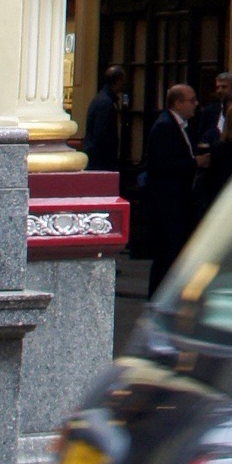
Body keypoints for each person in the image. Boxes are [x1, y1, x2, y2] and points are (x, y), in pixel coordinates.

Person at [137, 81, 202, 293]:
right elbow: (163, 165)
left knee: (171, 254)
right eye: (192, 100)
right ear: (178, 102)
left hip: (177, 204)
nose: (196, 104)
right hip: (168, 206)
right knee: (167, 254)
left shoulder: (181, 126)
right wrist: (195, 163)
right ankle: (159, 295)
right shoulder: (165, 126)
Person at [81, 66, 125, 177]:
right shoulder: (106, 103)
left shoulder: (101, 99)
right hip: (100, 161)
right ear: (119, 81)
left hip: (96, 158)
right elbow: (101, 134)